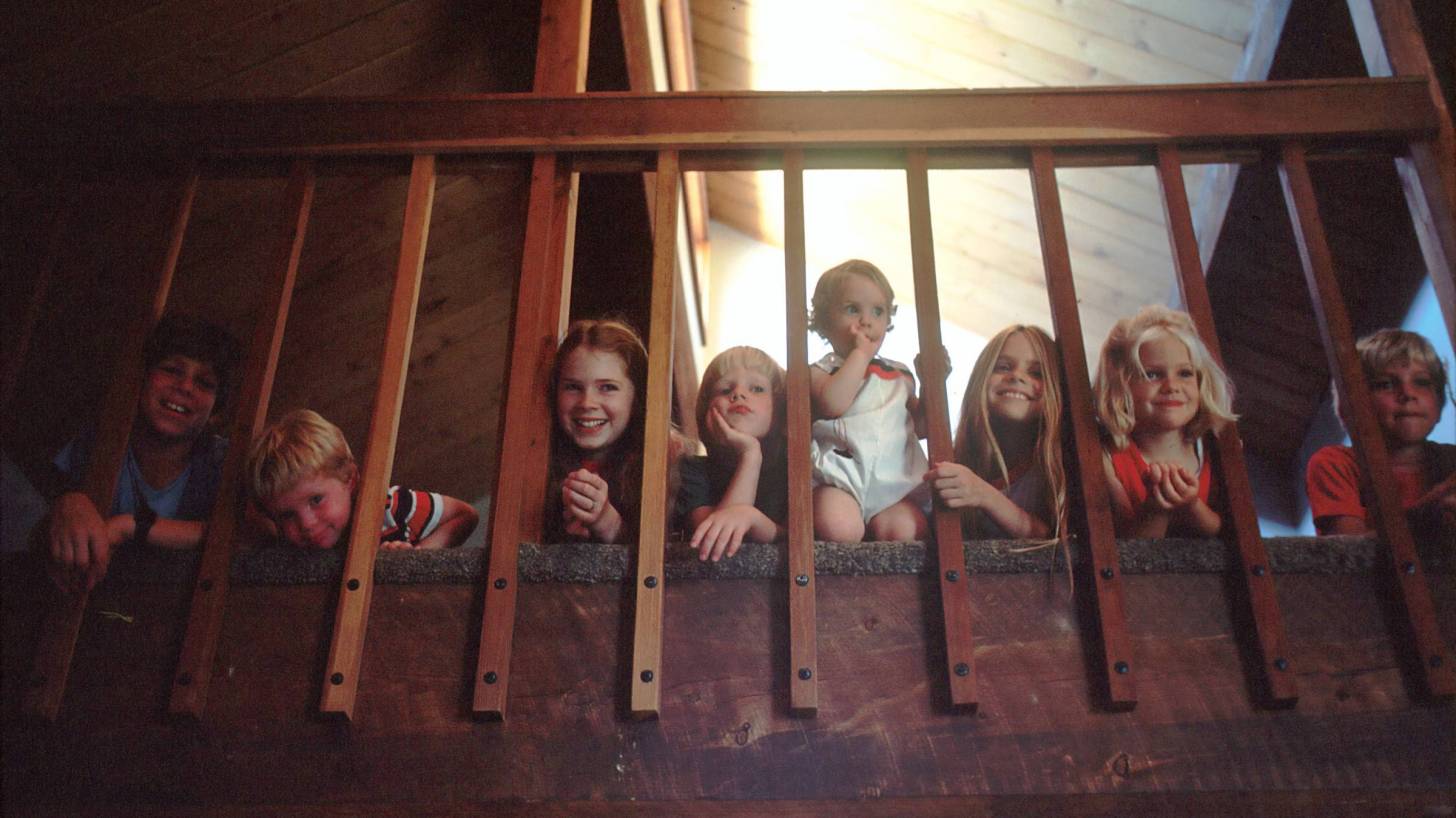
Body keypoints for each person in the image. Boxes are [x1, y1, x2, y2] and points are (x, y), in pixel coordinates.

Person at [47, 314, 240, 592]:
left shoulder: (224, 466)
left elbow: (241, 536)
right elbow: (34, 526)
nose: (185, 387)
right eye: (172, 369)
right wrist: (67, 502)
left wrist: (129, 527)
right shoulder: (98, 443)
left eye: (204, 383)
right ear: (142, 379)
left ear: (215, 411)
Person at [808, 259, 928, 543]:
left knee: (907, 531)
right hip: (840, 479)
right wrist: (860, 356)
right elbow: (833, 403)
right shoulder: (820, 371)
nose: (867, 320)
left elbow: (921, 427)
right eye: (853, 309)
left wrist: (934, 383)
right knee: (838, 527)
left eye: (878, 311)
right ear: (825, 322)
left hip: (894, 486)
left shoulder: (899, 374)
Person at [1093, 305, 1236, 538]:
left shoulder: (1215, 450)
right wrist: (1158, 510)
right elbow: (1130, 553)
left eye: (1185, 373)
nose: (1172, 386)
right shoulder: (1107, 456)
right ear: (1122, 386)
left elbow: (1230, 535)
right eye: (1152, 374)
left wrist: (1191, 506)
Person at [246, 409, 477, 550]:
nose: (306, 524)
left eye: (316, 499)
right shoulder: (290, 546)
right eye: (287, 515)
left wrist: (419, 555)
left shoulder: (391, 507)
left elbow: (465, 514)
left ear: (350, 479)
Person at [1306, 328, 1456, 538]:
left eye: (1422, 382)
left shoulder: (1450, 460)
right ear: (1349, 408)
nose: (1408, 394)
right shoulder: (1336, 463)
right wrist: (1425, 515)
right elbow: (1347, 555)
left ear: (1440, 403)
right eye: (1385, 384)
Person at [924, 325, 1066, 541]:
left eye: (1036, 373)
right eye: (1003, 367)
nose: (1017, 376)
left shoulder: (1056, 466)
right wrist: (929, 386)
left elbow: (1056, 542)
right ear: (981, 378)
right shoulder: (957, 458)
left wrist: (984, 495)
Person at [677, 346, 788, 561]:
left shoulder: (790, 469)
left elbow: (800, 538)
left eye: (756, 388)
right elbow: (716, 540)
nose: (738, 394)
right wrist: (750, 454)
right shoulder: (692, 469)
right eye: (725, 390)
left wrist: (754, 519)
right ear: (705, 410)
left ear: (780, 410)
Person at [547, 319, 649, 544]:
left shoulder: (666, 470)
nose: (587, 403)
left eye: (607, 387)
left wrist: (609, 524)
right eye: (573, 387)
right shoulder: (538, 468)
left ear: (638, 397)